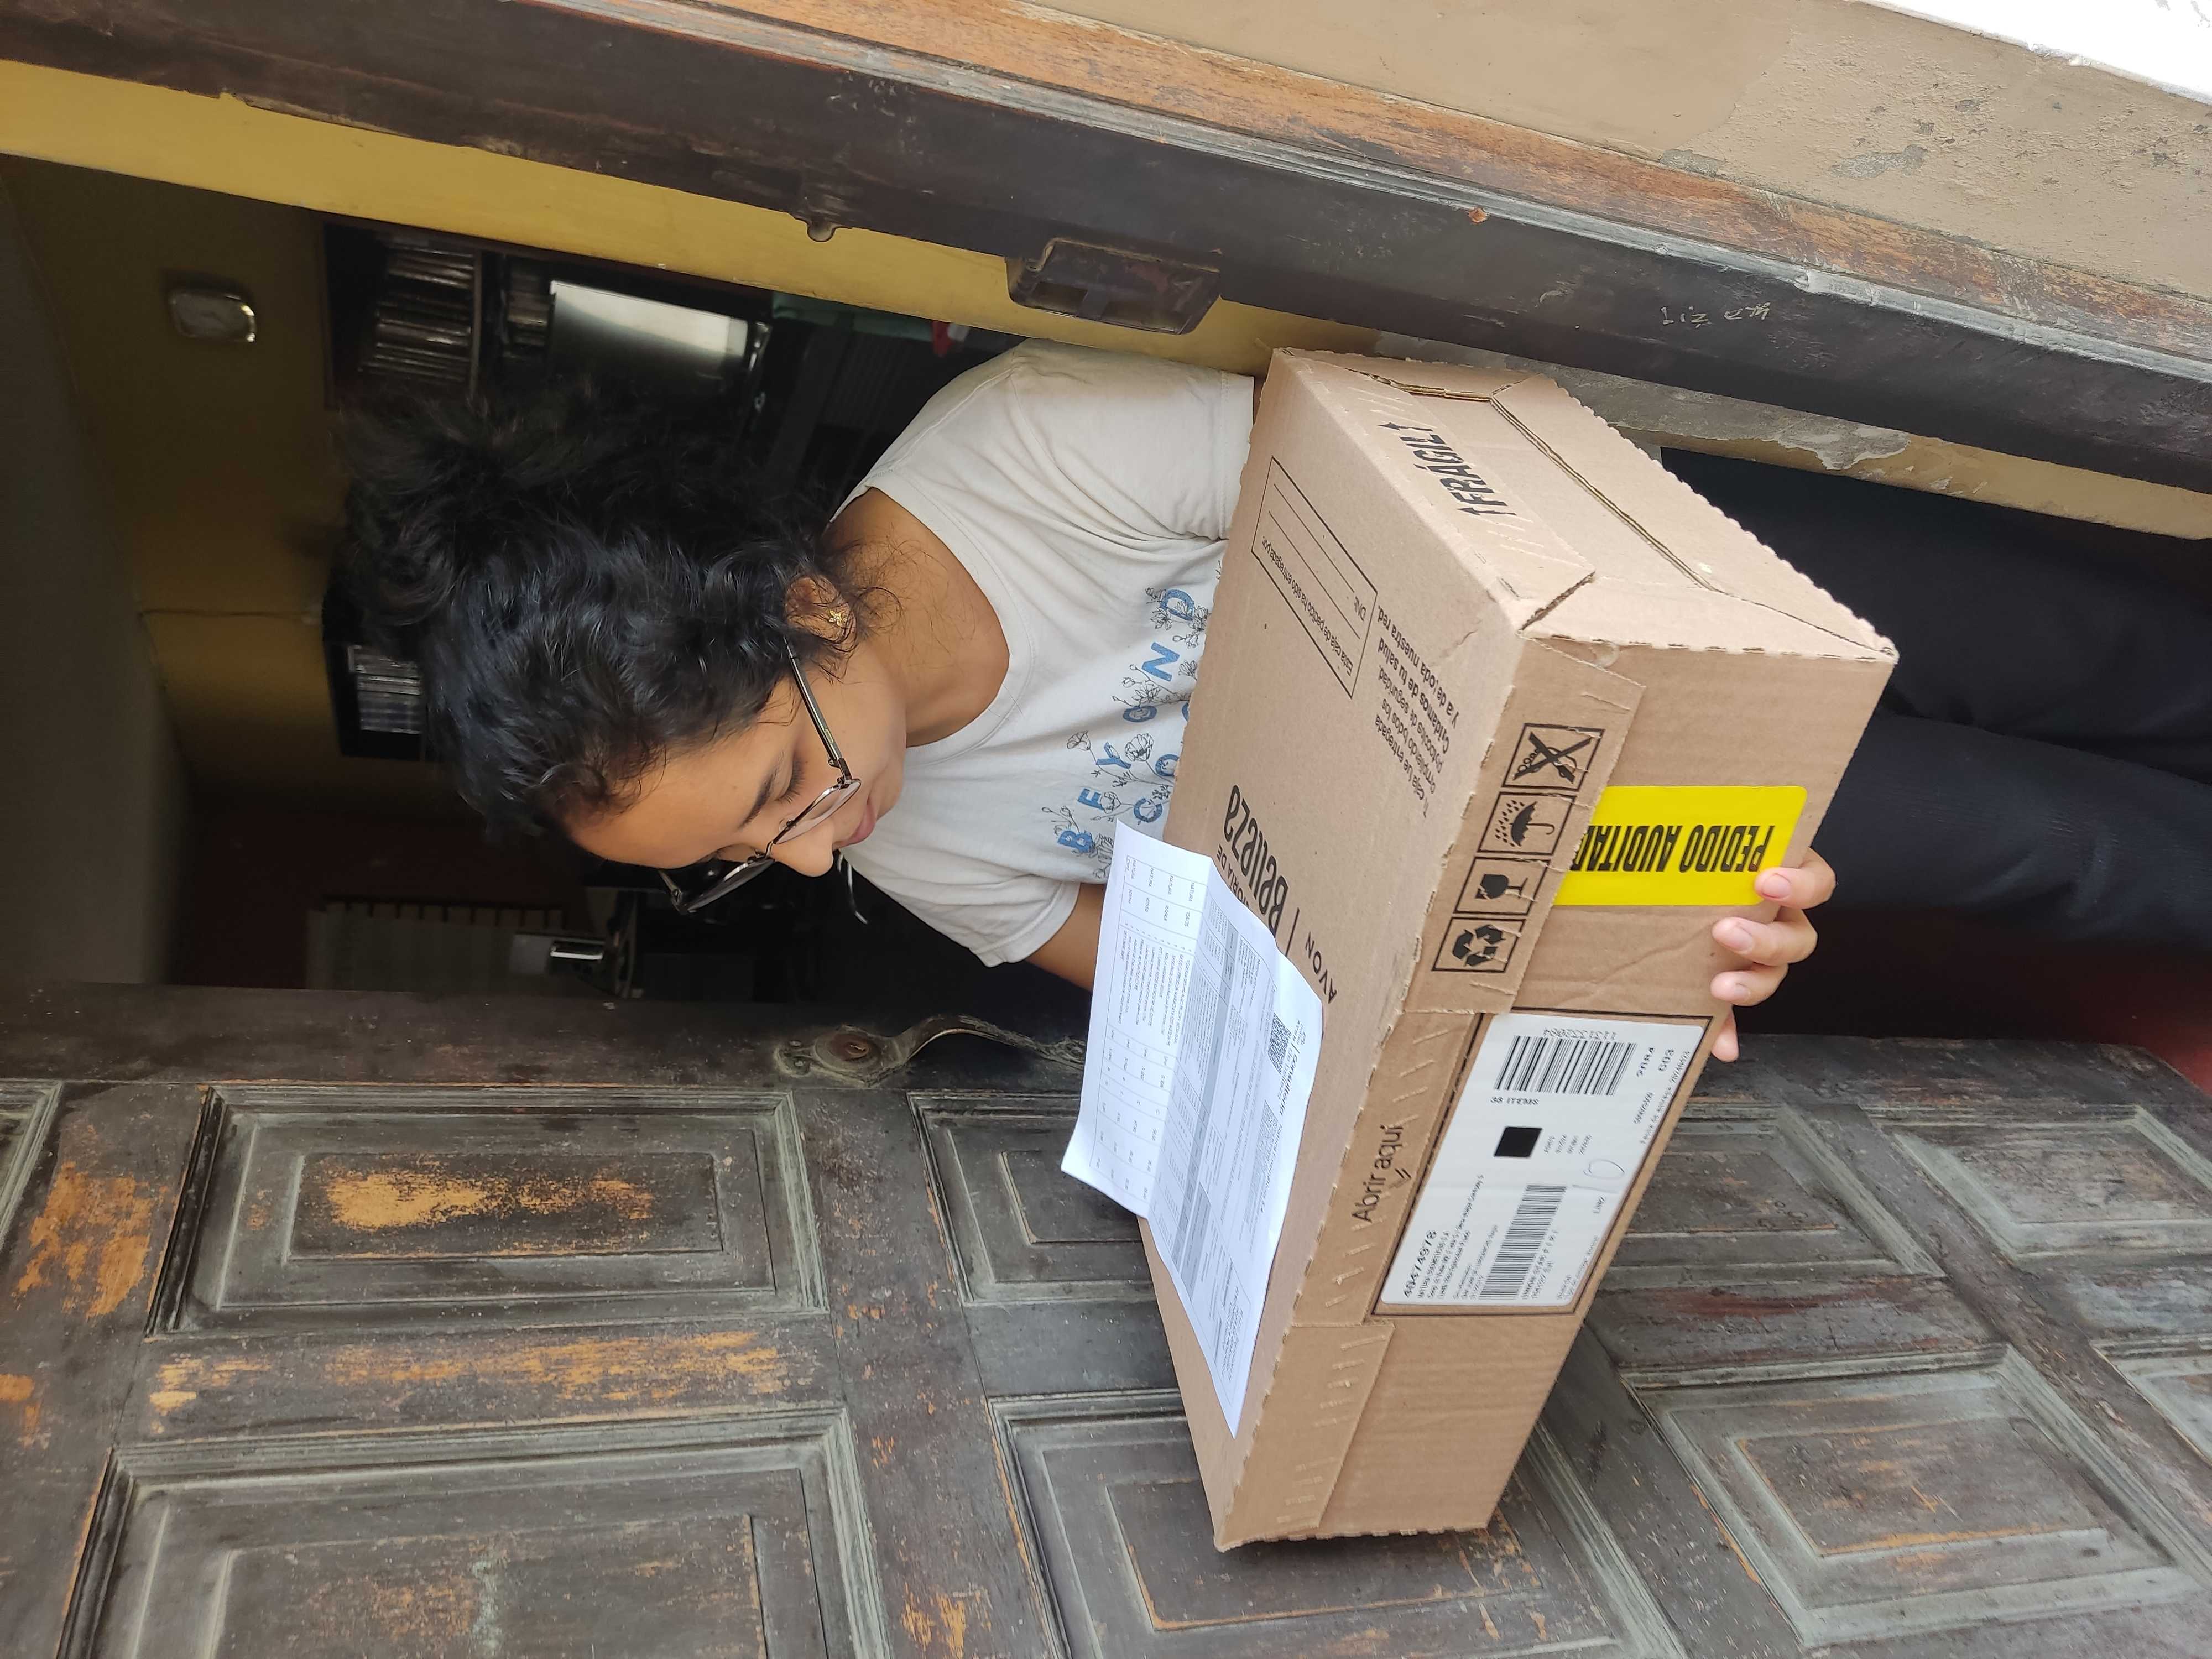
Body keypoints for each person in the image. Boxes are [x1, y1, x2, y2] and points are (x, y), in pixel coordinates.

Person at [343, 341, 2209, 1060]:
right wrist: (1589, 965)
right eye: (753, 856)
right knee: (2035, 845)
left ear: (800, 605)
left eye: (786, 784)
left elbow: (1443, 510)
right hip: (1558, 826)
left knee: (2083, 647)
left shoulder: (1027, 454)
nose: (825, 852)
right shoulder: (907, 848)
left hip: (1641, 585)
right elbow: (1214, 981)